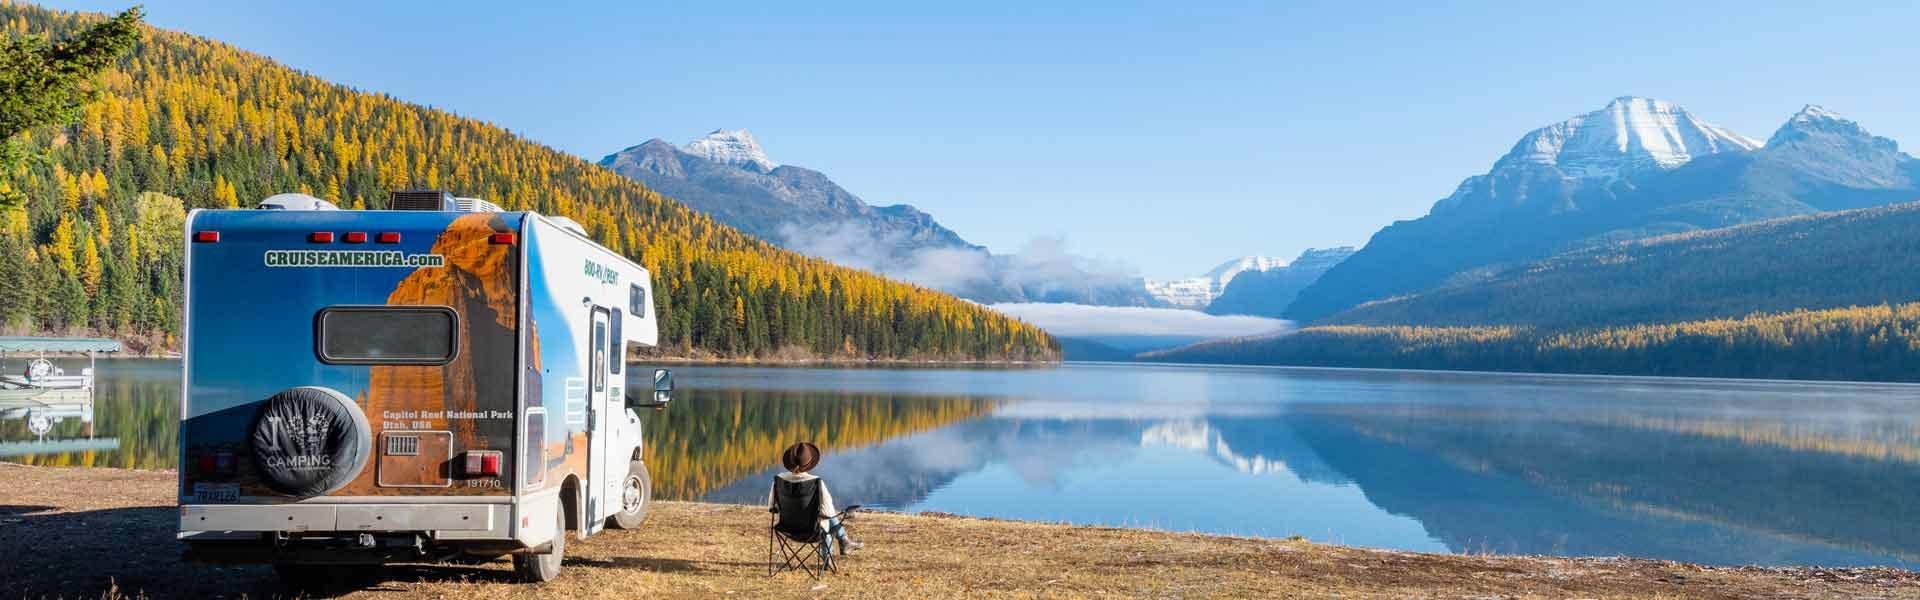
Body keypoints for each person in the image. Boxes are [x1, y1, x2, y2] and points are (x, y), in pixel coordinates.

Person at [768, 442, 863, 556]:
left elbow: (772, 507)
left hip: (787, 528)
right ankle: (832, 554)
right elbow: (828, 513)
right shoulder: (815, 482)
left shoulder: (779, 480)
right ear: (809, 463)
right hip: (812, 531)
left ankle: (844, 541)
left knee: (823, 516)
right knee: (826, 518)